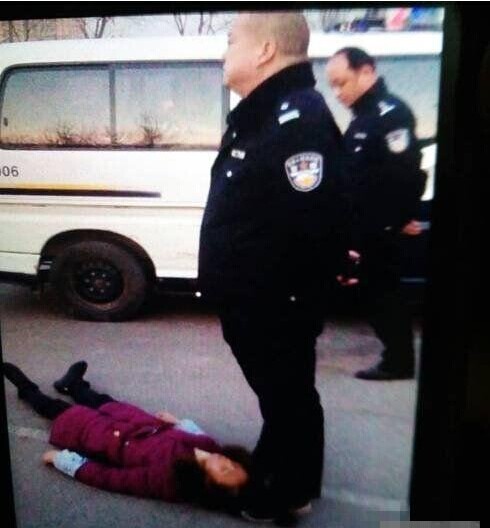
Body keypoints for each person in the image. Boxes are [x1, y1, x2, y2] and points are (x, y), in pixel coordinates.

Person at [198, 11, 350, 522]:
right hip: (256, 301)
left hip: (274, 305)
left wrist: (288, 305)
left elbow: (314, 225)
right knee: (283, 398)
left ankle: (288, 492)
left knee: (289, 398)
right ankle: (284, 470)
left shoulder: (296, 120)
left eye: (231, 40)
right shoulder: (264, 115)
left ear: (264, 50)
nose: (224, 52)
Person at [2, 361, 251, 512]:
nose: (227, 462)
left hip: (110, 440)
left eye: (225, 471)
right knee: (102, 401)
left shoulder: (169, 481)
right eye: (235, 464)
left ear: (208, 484)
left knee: (60, 412)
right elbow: (195, 433)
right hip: (139, 423)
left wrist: (61, 460)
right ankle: (73, 385)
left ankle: (27, 389)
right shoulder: (212, 447)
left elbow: (111, 479)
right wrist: (176, 422)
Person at [326, 47, 427, 381]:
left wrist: (395, 222)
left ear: (366, 72)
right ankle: (396, 357)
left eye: (342, 82)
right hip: (366, 226)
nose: (337, 92)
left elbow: (406, 173)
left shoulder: (390, 113)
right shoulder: (363, 116)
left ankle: (398, 362)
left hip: (381, 228)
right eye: (332, 85)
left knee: (384, 295)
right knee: (375, 295)